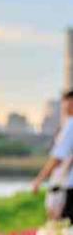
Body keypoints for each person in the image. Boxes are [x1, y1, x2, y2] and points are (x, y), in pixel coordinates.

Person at [32, 88, 73, 221]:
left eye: (66, 101)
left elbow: (57, 157)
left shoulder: (71, 125)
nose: (64, 106)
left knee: (63, 231)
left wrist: (39, 179)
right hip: (66, 185)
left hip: (67, 187)